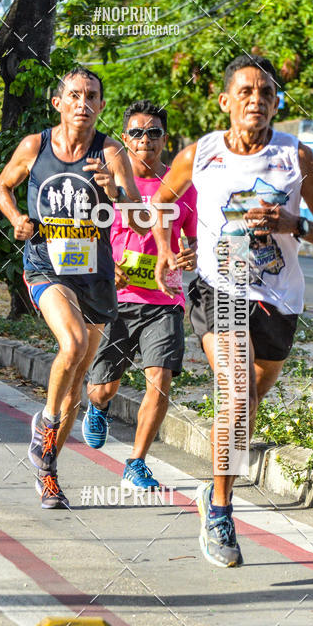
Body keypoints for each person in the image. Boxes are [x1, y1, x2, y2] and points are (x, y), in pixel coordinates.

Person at [153, 54, 313, 568]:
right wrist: (164, 246)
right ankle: (222, 506)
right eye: (246, 92)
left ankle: (214, 488)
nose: (257, 100)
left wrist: (294, 223)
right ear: (226, 101)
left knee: (251, 395)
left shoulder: (298, 156)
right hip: (217, 287)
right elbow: (162, 200)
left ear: (276, 103)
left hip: (278, 297)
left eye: (267, 93)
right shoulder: (200, 153)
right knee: (238, 390)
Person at [0, 67, 140, 509]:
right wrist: (17, 219)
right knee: (72, 343)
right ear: (58, 103)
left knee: (77, 377)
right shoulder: (35, 146)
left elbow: (135, 212)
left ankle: (48, 470)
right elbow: (3, 185)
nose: (83, 102)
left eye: (91, 95)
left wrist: (111, 188)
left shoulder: (112, 152)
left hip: (94, 272)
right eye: (74, 95)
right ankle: (47, 424)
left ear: (101, 105)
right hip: (46, 264)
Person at [81, 100, 198, 491]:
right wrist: (102, 265)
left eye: (153, 133)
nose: (144, 139)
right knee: (102, 387)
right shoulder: (106, 185)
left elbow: (194, 239)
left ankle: (136, 462)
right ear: (125, 139)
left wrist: (190, 252)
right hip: (113, 298)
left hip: (164, 300)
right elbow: (84, 235)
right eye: (135, 132)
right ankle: (97, 406)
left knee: (160, 379)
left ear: (165, 139)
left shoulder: (183, 188)